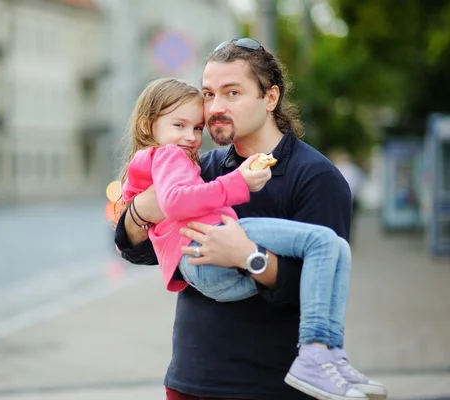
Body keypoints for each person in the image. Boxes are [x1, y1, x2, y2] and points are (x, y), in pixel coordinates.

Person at [114, 38, 386, 400]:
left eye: (232, 93)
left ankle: (326, 361)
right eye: (209, 94)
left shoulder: (317, 177)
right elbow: (138, 251)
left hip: (272, 386)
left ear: (270, 98)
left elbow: (314, 287)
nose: (215, 108)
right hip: (192, 379)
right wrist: (140, 211)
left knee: (329, 250)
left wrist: (248, 257)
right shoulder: (201, 167)